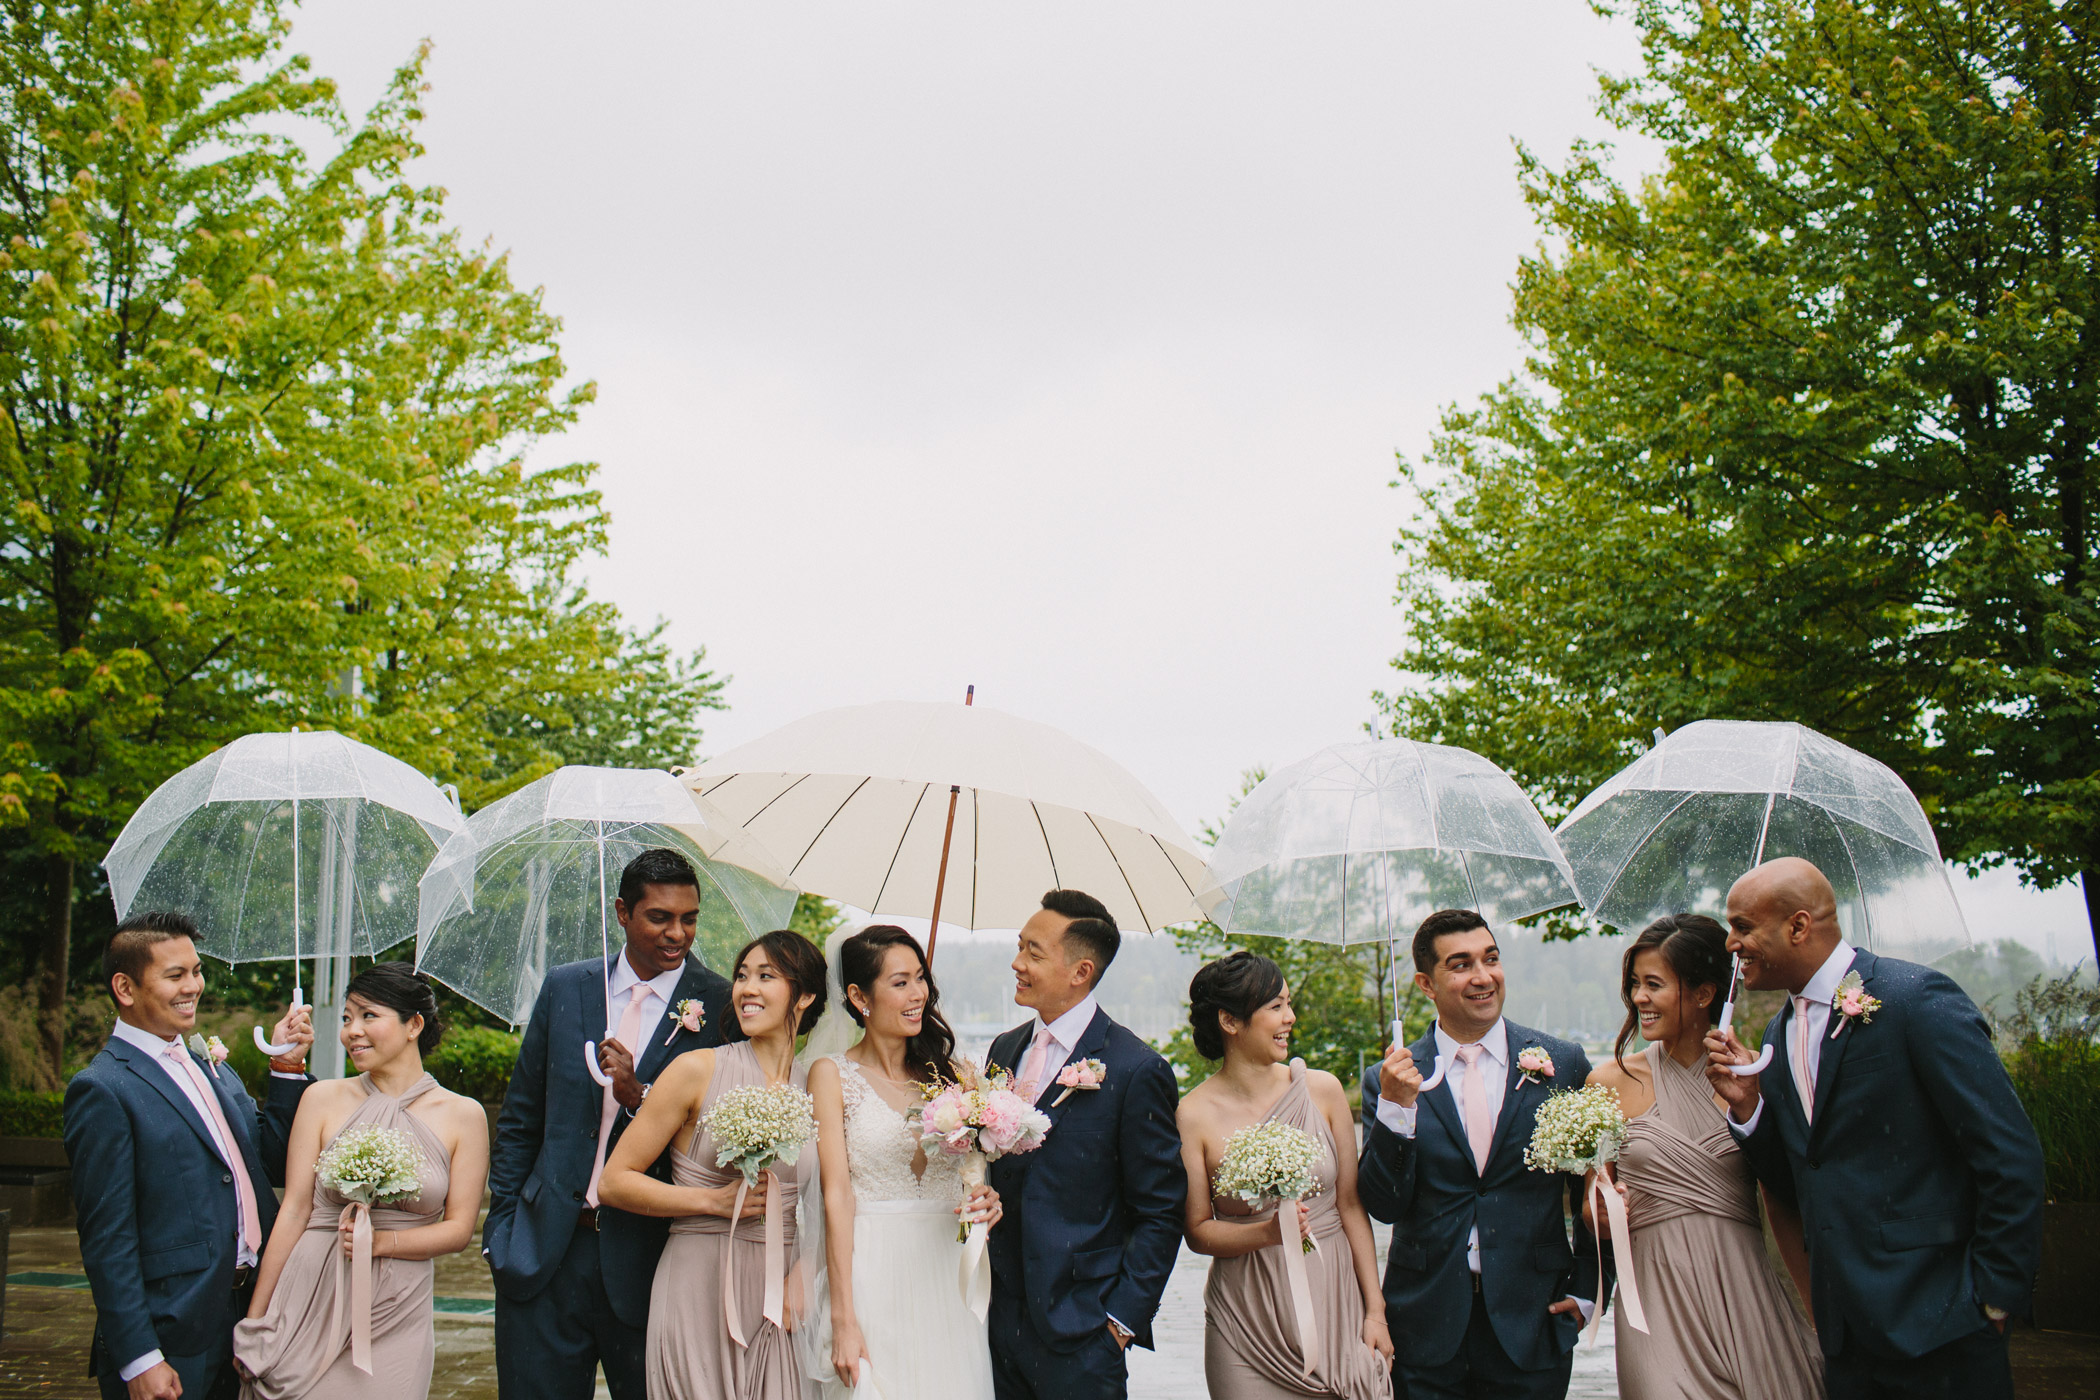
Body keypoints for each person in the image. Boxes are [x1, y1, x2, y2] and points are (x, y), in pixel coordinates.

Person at [1704, 857, 2046, 1400]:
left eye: (1743, 926)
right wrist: (1749, 1107)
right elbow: (1802, 1174)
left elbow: (2010, 1155)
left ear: (1798, 926)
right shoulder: (1779, 1029)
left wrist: (1993, 1299)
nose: (1730, 944)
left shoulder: (1916, 1000)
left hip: (1944, 1326)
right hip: (1848, 1340)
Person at [484, 847, 735, 1400]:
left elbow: (718, 1135)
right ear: (622, 912)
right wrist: (502, 1232)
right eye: (660, 917)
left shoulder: (720, 1005)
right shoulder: (567, 986)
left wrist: (638, 1094)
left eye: (689, 919)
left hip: (653, 1260)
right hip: (545, 1253)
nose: (678, 934)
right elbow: (522, 1118)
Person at [64, 911, 315, 1400]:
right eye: (175, 975)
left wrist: (286, 1066)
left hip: (252, 1314)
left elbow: (270, 1160)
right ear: (125, 987)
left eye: (196, 971)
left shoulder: (206, 1058)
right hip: (172, 1329)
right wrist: (140, 1356)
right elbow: (106, 1239)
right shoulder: (102, 1089)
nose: (193, 986)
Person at [1358, 908, 1602, 1400]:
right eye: (1461, 964)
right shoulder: (1389, 1080)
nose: (1483, 976)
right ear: (1427, 985)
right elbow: (1384, 1206)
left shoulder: (1564, 1063)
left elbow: (1598, 1193)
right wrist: (1396, 1111)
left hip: (1535, 1319)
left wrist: (1590, 1290)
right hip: (1424, 1324)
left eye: (1491, 959)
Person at [1581, 914, 1822, 1400]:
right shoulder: (1607, 1083)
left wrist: (1818, 1311)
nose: (1638, 999)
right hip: (1655, 1299)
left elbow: (1787, 1198)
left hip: (1745, 1291)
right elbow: (1591, 1205)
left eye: (1653, 984)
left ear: (1705, 994)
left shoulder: (1759, 1078)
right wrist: (1604, 1211)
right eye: (1634, 985)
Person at [234, 963, 490, 1398]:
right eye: (348, 1018)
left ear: (414, 1025)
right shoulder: (321, 1098)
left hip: (398, 1303)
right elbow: (295, 1209)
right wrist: (256, 1320)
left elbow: (459, 1229)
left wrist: (384, 1244)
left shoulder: (464, 1116)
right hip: (311, 1290)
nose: (353, 1031)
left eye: (369, 1016)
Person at [597, 928, 825, 1400]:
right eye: (742, 976)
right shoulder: (696, 1070)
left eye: (766, 976)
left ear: (803, 997)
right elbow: (615, 1183)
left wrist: (801, 1281)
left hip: (779, 1291)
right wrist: (712, 1200)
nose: (746, 988)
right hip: (696, 1280)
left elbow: (836, 1200)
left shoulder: (818, 1090)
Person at [983, 888, 1186, 1400]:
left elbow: (1161, 1211)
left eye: (1034, 952)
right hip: (995, 1320)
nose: (1017, 963)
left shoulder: (1135, 1068)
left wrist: (1120, 1323)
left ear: (1081, 972)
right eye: (1019, 946)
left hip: (1084, 1332)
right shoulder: (1003, 1051)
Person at [1177, 951, 1392, 1400]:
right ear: (1230, 1021)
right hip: (1246, 1315)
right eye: (1275, 1006)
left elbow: (1351, 1206)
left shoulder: (1323, 1089)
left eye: (1288, 1004)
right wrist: (1267, 1233)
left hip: (1335, 1300)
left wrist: (1375, 1312)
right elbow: (1197, 1232)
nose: (1290, 1017)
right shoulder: (1192, 1114)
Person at [800, 924, 1003, 1399]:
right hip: (871, 1269)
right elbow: (836, 1197)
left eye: (920, 978)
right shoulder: (831, 1075)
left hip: (948, 1272)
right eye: (900, 982)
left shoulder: (956, 1077)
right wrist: (843, 1318)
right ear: (858, 995)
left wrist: (986, 1198)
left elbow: (972, 1174)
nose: (918, 994)